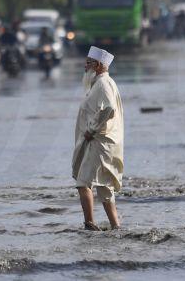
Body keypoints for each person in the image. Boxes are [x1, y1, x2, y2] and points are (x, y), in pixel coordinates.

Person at [72, 46, 124, 231]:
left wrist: (92, 130)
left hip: (99, 143)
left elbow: (108, 108)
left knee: (83, 182)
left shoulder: (103, 84)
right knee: (105, 188)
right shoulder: (101, 84)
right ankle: (116, 226)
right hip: (103, 143)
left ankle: (89, 224)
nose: (85, 67)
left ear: (99, 65)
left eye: (88, 63)